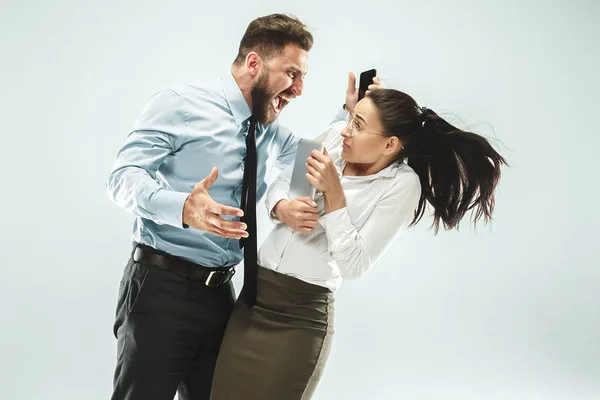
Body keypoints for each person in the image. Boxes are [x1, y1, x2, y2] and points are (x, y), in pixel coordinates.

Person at [105, 13, 379, 400]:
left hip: (223, 296)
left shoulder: (268, 130)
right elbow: (122, 179)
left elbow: (311, 156)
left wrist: (350, 116)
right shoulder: (180, 105)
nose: (299, 89)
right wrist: (184, 208)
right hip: (160, 290)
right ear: (254, 63)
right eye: (292, 74)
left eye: (303, 78)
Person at [209, 87, 507, 399]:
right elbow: (286, 182)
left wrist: (333, 193)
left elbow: (354, 265)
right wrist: (282, 208)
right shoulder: (335, 135)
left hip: (299, 318)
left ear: (390, 144)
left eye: (359, 125)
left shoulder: (402, 186)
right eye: (352, 118)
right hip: (253, 299)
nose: (348, 130)